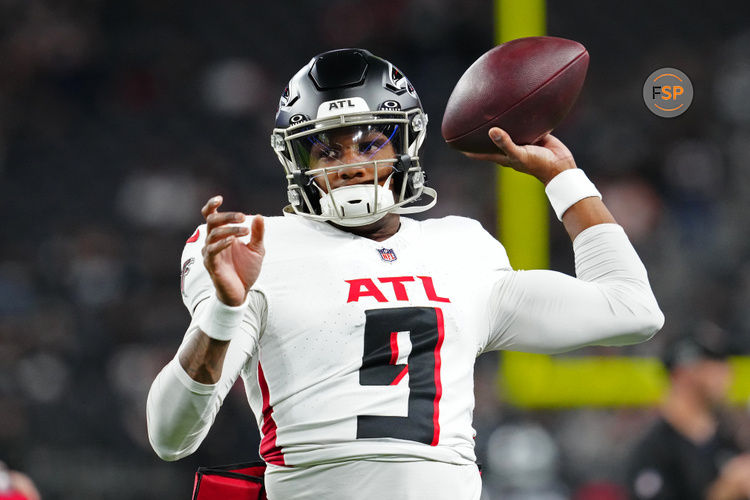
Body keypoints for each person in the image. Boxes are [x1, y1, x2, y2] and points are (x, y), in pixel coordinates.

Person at [146, 48, 664, 499]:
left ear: (404, 145)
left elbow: (632, 310)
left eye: (370, 143)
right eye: (326, 148)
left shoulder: (460, 247)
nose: (348, 164)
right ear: (296, 159)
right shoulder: (255, 247)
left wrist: (563, 177)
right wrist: (223, 308)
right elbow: (171, 436)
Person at [626, 330, 750, 500]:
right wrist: (723, 493)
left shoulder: (729, 440)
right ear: (682, 373)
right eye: (714, 361)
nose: (726, 371)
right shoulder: (653, 451)